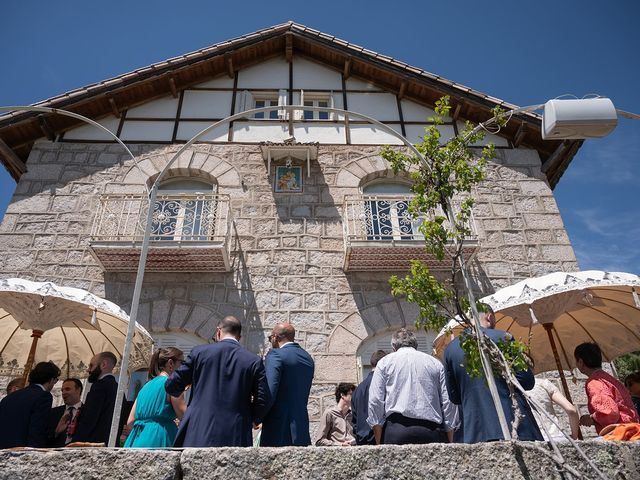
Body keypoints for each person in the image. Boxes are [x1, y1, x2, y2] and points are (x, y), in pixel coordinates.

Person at [165, 316, 270, 447]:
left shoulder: (199, 353)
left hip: (199, 431)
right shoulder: (253, 361)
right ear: (239, 337)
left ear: (218, 332)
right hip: (236, 433)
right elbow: (264, 398)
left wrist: (189, 383)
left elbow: (172, 385)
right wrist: (253, 419)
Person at [444, 308, 542, 443]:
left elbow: (454, 397)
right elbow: (526, 381)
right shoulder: (503, 337)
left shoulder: (450, 349)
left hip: (473, 431)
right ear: (489, 317)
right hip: (515, 426)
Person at [368, 329, 457, 445]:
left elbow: (375, 401)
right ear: (416, 345)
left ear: (393, 347)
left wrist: (379, 440)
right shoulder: (435, 363)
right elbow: (448, 402)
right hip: (432, 430)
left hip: (396, 430)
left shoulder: (384, 363)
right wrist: (450, 437)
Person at [259, 322, 315, 447]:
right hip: (301, 426)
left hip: (278, 427)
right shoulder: (307, 358)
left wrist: (257, 416)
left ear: (275, 337)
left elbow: (270, 391)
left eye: (270, 338)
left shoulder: (275, 355)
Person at [123, 347, 186, 448]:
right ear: (171, 363)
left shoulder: (145, 387)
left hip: (137, 440)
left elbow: (130, 422)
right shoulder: (172, 383)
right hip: (160, 438)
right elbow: (184, 415)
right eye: (182, 362)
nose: (184, 367)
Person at [574, 342, 639, 434]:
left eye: (576, 361)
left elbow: (609, 413)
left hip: (622, 433)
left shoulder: (595, 382)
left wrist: (591, 418)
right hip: (632, 429)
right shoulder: (609, 379)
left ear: (580, 362)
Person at [0, 361, 60, 448]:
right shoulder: (43, 396)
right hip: (21, 453)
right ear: (51, 379)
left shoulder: (9, 398)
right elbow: (37, 430)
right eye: (55, 380)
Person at [73, 351, 119, 444]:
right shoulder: (118, 389)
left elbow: (89, 418)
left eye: (91, 365)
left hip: (91, 444)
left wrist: (76, 442)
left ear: (103, 364)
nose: (88, 370)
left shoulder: (99, 386)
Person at [351, 350, 386, 445]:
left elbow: (354, 420)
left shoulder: (358, 389)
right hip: (379, 440)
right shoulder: (384, 384)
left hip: (361, 441)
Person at [529, 377, 580, 441]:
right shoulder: (543, 384)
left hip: (530, 441)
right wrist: (574, 436)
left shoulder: (514, 388)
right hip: (555, 437)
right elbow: (571, 410)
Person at [47, 378, 83, 447]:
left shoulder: (87, 412)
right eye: (62, 390)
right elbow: (45, 437)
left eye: (67, 389)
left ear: (78, 390)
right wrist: (56, 432)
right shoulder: (53, 412)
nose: (63, 393)